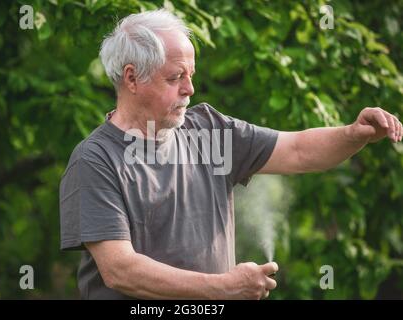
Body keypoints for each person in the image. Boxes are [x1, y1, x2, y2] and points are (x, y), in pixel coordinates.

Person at [59, 9, 402, 300]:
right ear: (132, 78)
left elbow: (298, 150)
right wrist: (222, 288)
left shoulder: (210, 129)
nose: (189, 89)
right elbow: (121, 270)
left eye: (190, 76)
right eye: (175, 77)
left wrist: (353, 134)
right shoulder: (95, 160)